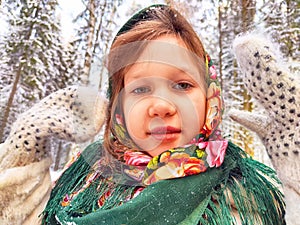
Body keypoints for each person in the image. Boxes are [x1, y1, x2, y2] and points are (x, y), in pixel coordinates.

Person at [42, 4, 285, 225]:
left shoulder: (252, 200)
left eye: (182, 85)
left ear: (210, 96)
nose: (161, 106)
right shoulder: (82, 178)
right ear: (119, 107)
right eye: (141, 89)